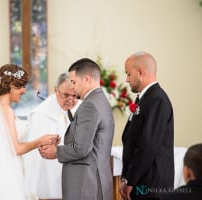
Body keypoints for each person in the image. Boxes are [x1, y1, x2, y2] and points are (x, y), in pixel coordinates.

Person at [0, 64, 59, 200]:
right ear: (11, 86)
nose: (24, 91)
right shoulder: (6, 111)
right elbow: (16, 149)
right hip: (7, 174)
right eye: (21, 86)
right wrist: (40, 141)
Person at [39, 58, 115, 200]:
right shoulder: (101, 100)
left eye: (74, 82)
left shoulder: (90, 105)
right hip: (94, 179)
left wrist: (56, 151)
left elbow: (81, 148)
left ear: (87, 79)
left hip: (85, 184)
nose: (73, 87)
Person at [120, 52, 174, 200]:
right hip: (143, 180)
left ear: (141, 72)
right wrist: (127, 178)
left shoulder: (157, 99)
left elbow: (147, 145)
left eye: (128, 74)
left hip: (150, 184)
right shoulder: (145, 98)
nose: (126, 79)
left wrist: (130, 180)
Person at [23, 73, 81, 200]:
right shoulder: (42, 114)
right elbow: (35, 158)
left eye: (75, 95)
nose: (71, 100)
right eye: (66, 95)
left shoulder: (82, 108)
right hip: (49, 178)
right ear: (56, 90)